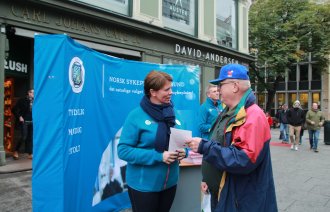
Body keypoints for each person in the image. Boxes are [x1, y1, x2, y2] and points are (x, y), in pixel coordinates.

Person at [186, 64, 277, 212]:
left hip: (240, 199)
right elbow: (219, 141)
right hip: (224, 193)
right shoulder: (229, 110)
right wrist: (207, 178)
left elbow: (243, 159)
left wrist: (204, 146)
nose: (219, 90)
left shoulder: (252, 115)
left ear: (235, 86)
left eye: (221, 85)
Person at [117, 70, 187, 212]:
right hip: (144, 186)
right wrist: (159, 156)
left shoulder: (174, 113)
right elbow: (123, 151)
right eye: (166, 89)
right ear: (153, 92)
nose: (171, 92)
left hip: (170, 184)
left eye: (171, 88)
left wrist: (183, 152)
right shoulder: (135, 116)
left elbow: (182, 143)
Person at [12, 89, 34, 160]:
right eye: (31, 92)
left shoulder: (36, 100)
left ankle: (30, 153)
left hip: (32, 121)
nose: (33, 94)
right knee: (23, 137)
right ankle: (16, 151)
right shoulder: (22, 100)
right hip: (24, 121)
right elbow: (14, 109)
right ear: (28, 93)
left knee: (30, 137)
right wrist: (19, 116)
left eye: (34, 92)